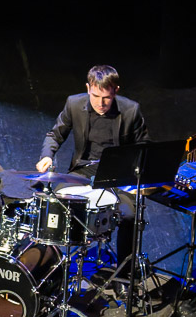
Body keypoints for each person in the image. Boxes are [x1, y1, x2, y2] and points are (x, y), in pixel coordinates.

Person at [35, 64, 150, 264]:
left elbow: (144, 146)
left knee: (129, 216)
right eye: (95, 96)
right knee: (55, 204)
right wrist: (47, 156)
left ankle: (124, 272)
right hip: (83, 172)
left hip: (118, 175)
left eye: (106, 98)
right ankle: (52, 265)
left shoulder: (131, 110)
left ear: (116, 91)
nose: (100, 103)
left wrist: (138, 173)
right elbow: (55, 135)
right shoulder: (74, 104)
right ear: (88, 88)